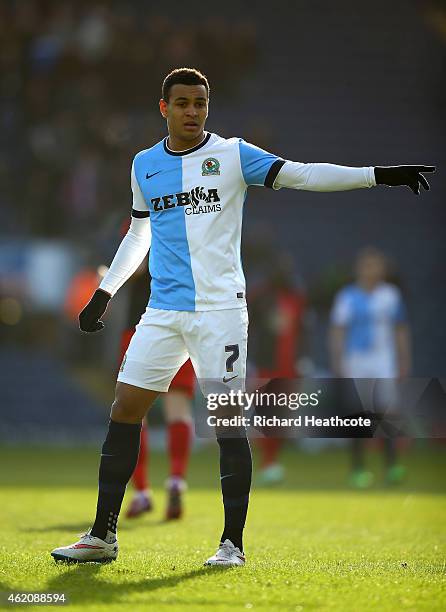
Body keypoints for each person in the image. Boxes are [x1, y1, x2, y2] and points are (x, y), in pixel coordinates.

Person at [50, 67, 434, 567]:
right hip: (163, 310)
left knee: (228, 423)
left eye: (201, 103)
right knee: (125, 408)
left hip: (220, 313)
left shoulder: (232, 155)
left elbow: (303, 174)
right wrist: (105, 293)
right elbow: (139, 233)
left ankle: (232, 545)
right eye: (183, 103)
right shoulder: (144, 164)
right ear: (164, 108)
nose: (193, 111)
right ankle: (103, 536)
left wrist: (377, 175)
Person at [329, 247, 411, 487]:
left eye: (375, 265)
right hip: (356, 359)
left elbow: (401, 329)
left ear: (383, 269)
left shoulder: (390, 295)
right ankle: (358, 468)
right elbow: (337, 329)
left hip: (383, 359)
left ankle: (392, 465)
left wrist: (405, 359)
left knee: (386, 411)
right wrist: (338, 360)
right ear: (359, 268)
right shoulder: (347, 296)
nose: (371, 270)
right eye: (367, 265)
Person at [248, 252, 306, 485]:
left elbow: (303, 330)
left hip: (290, 365)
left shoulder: (297, 298)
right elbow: (248, 325)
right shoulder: (260, 296)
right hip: (267, 363)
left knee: (282, 416)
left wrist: (303, 358)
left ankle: (272, 459)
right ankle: (266, 461)